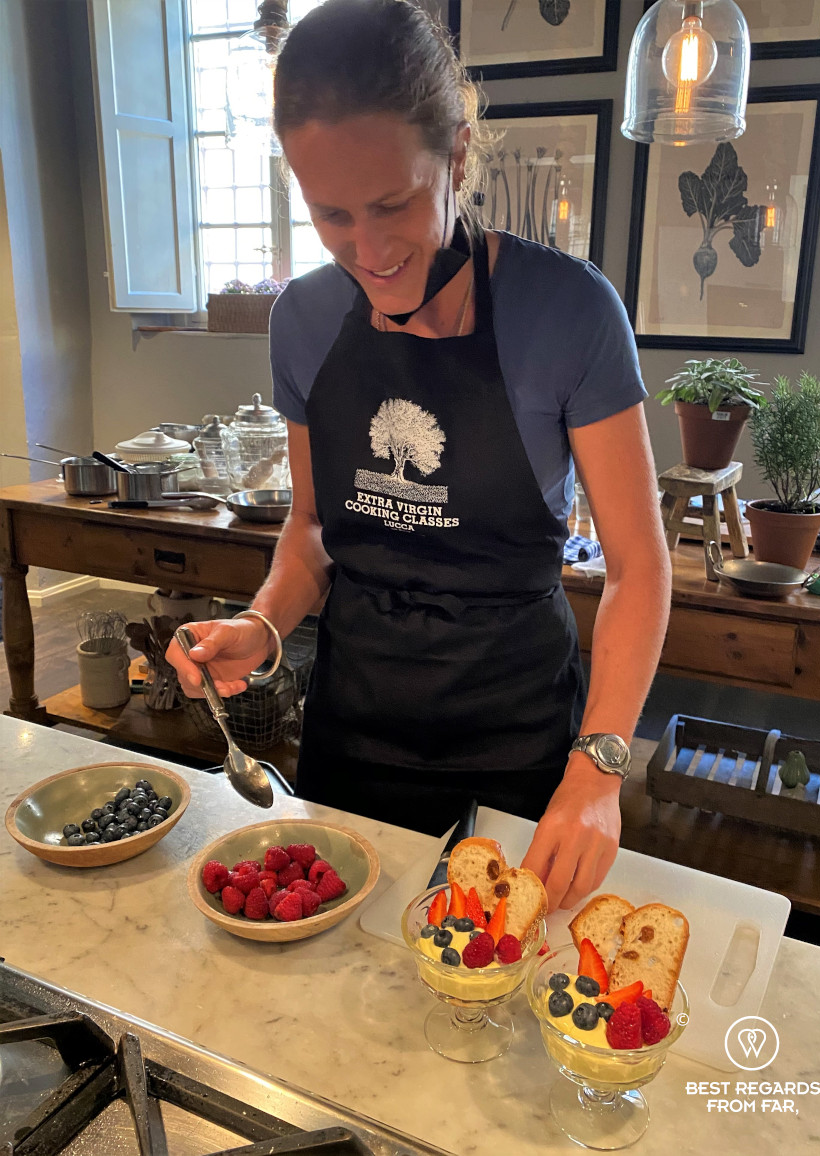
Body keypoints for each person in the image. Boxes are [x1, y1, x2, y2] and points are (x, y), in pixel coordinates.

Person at [167, 0, 671, 911]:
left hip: (519, 752)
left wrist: (599, 767)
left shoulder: (570, 314)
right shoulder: (305, 322)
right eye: (330, 215)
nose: (369, 250)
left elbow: (639, 568)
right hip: (353, 737)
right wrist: (265, 623)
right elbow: (317, 528)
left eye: (394, 203)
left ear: (459, 154)